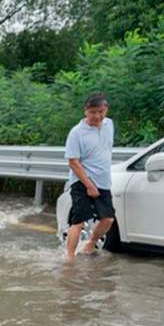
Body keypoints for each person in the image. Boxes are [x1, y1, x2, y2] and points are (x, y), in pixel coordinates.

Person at [64, 93, 115, 257]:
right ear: (86, 111)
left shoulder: (109, 124)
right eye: (93, 112)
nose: (97, 116)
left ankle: (90, 243)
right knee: (78, 221)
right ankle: (69, 258)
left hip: (103, 181)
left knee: (108, 219)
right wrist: (89, 185)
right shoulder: (77, 133)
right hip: (81, 181)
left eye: (101, 111)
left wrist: (98, 184)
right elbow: (73, 162)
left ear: (106, 109)